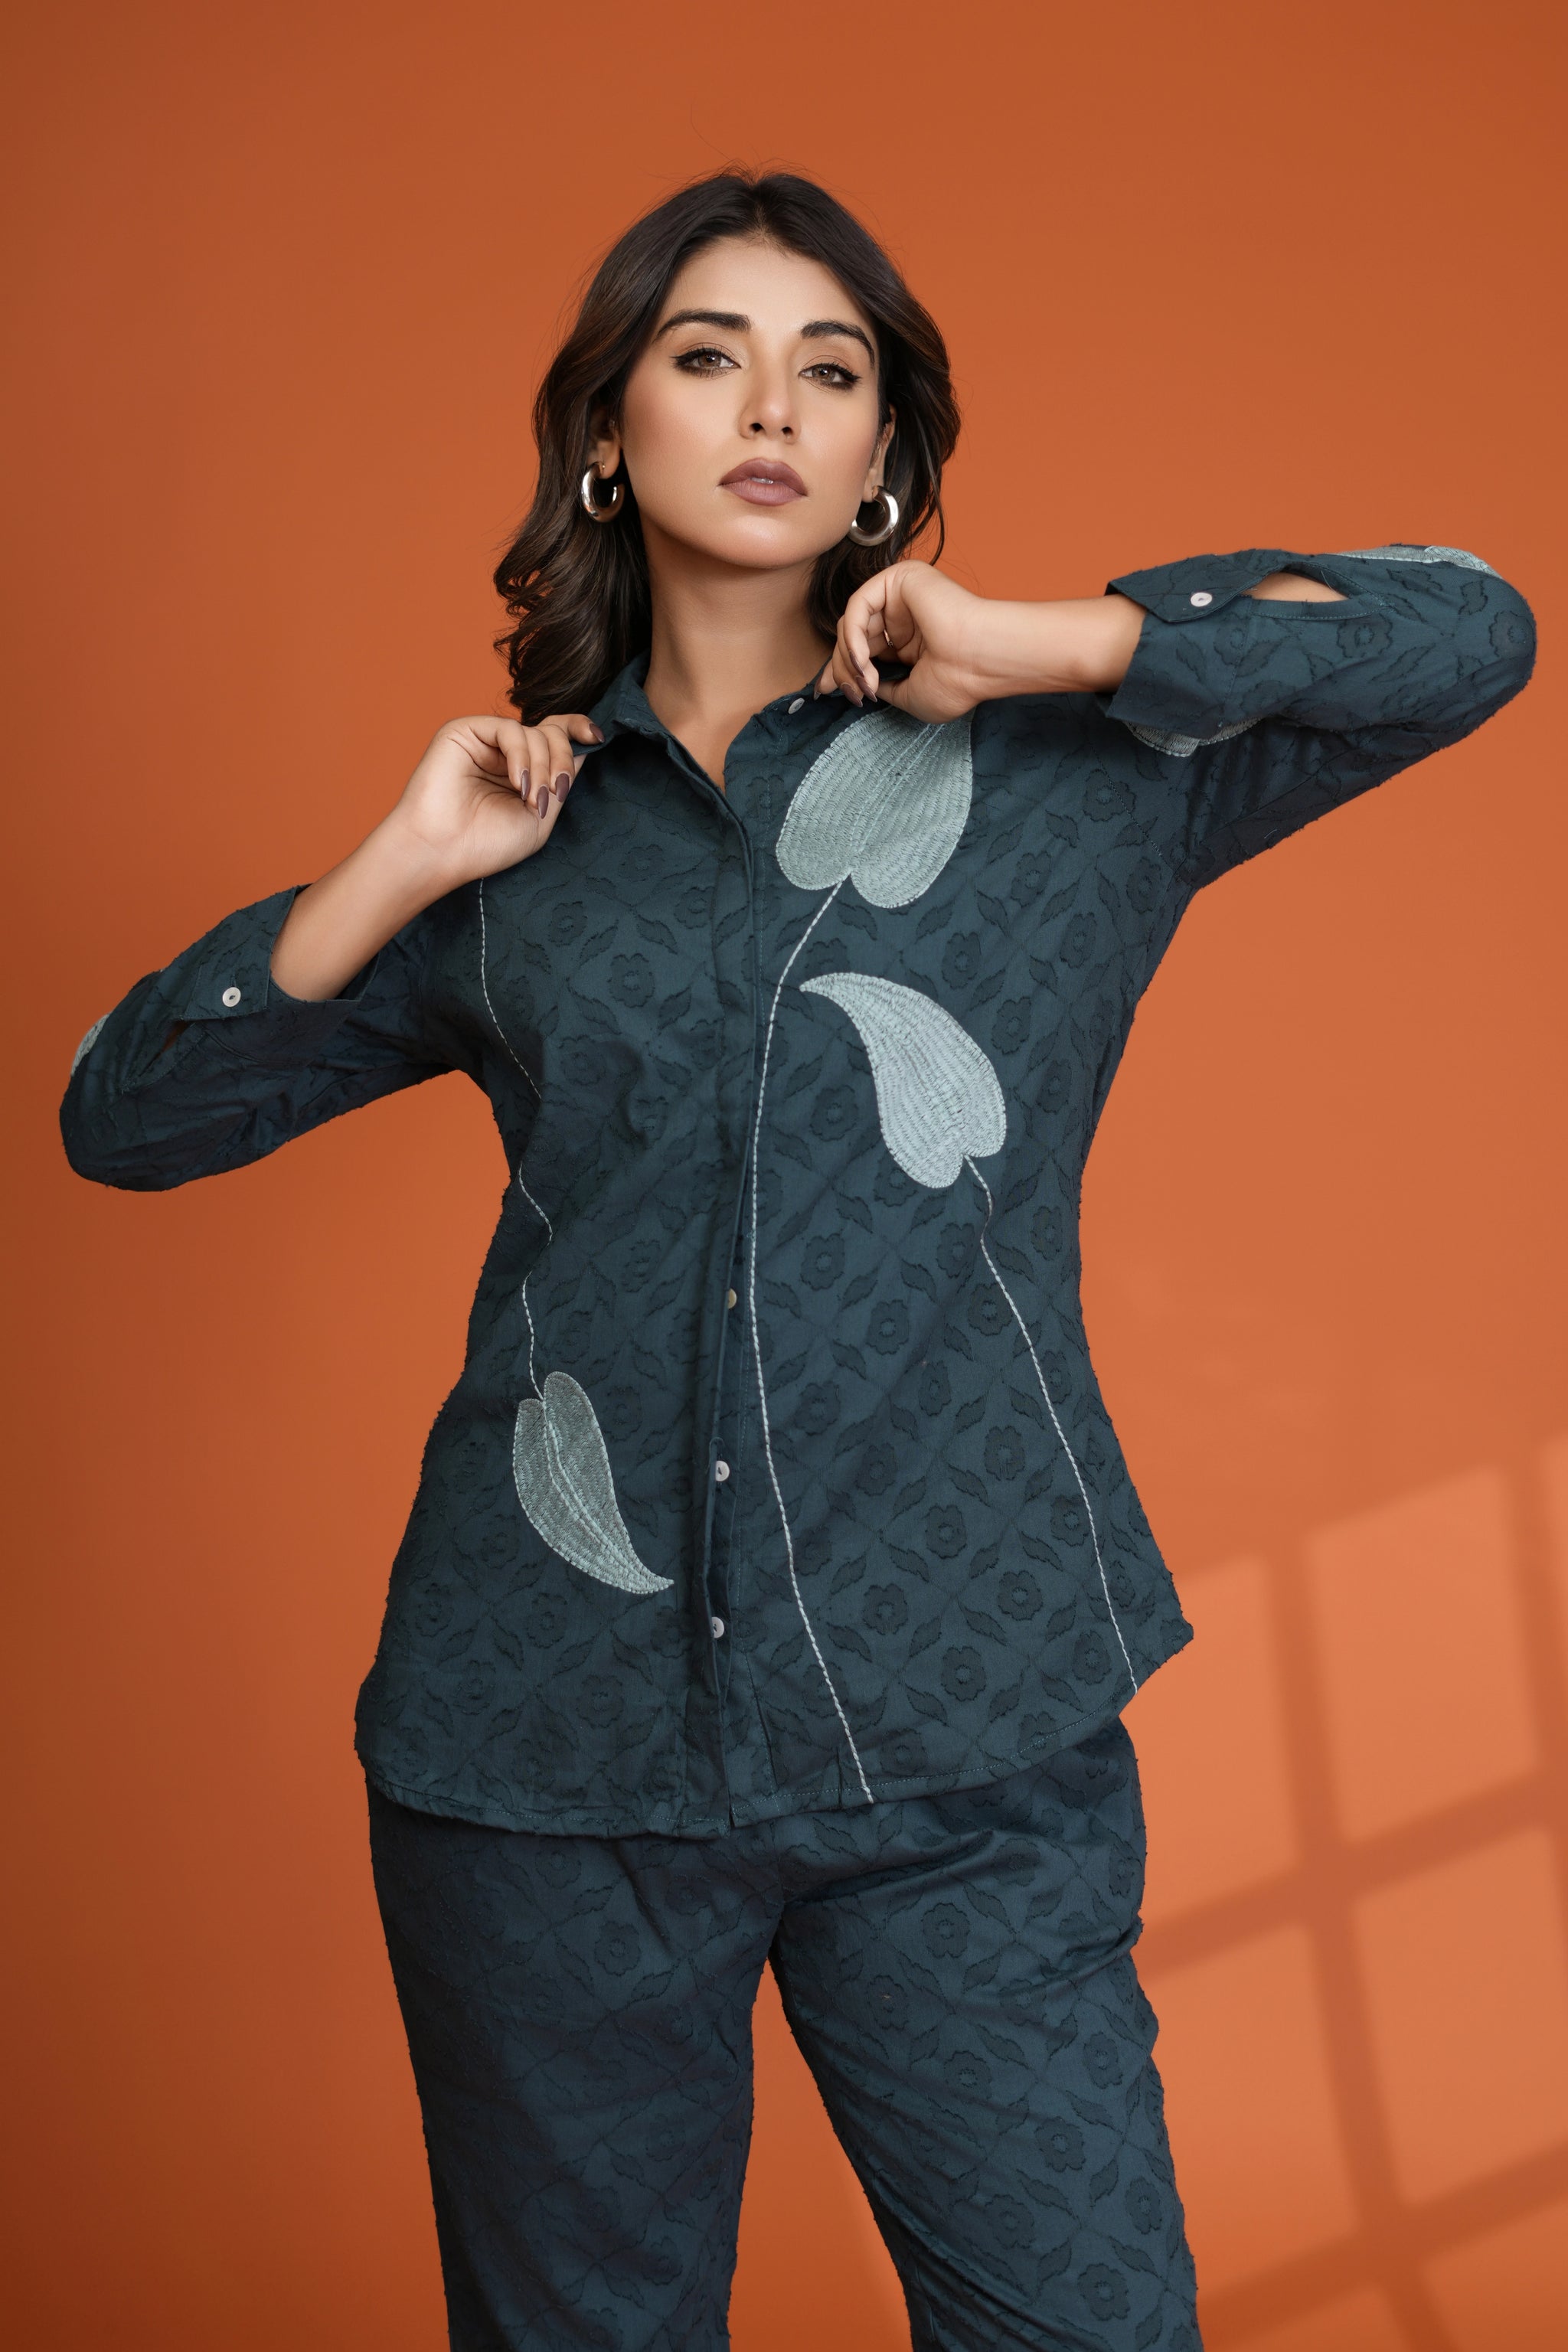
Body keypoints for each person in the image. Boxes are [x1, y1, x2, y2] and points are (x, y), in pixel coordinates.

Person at [60, 168, 1535, 2352]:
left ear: (883, 459)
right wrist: (397, 861)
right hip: (541, 1757)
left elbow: (1469, 631)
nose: (771, 407)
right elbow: (128, 1120)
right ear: (608, 436)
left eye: (830, 372)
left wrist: (1051, 638)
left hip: (967, 1734)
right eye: (708, 356)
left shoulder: (1075, 776)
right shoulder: (514, 844)